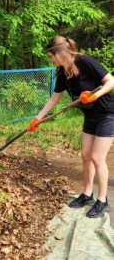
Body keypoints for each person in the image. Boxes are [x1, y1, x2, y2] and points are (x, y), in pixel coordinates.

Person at [29, 36, 114, 218]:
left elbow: (111, 81)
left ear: (60, 53)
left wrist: (94, 95)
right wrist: (37, 118)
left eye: (52, 56)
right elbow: (55, 98)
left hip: (108, 114)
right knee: (85, 155)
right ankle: (87, 194)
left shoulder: (85, 61)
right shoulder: (63, 73)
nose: (51, 60)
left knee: (97, 157)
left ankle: (102, 201)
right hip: (90, 116)